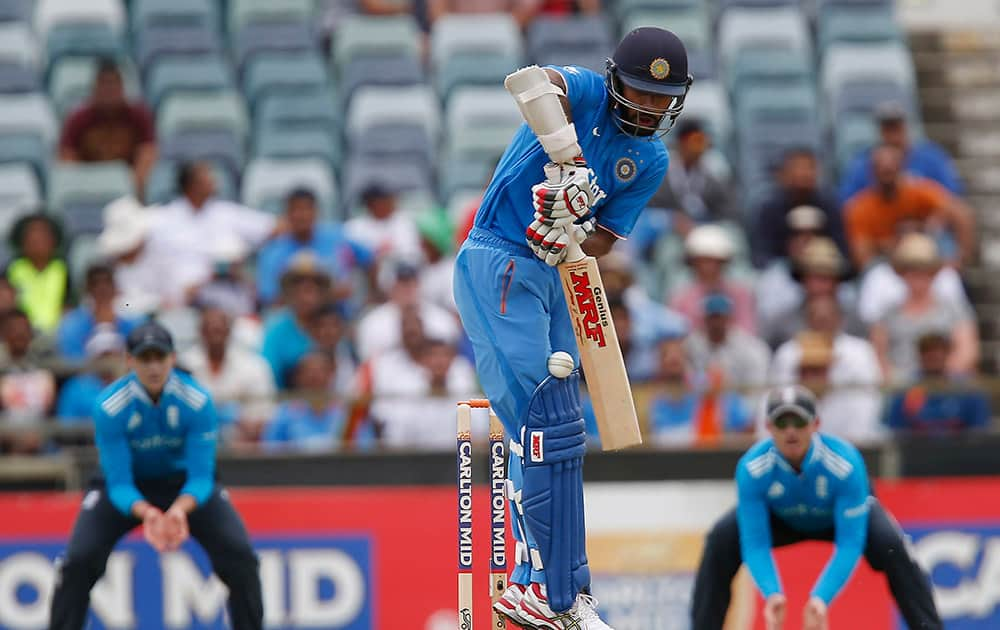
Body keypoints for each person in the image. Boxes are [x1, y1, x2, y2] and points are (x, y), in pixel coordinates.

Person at [453, 26, 692, 627]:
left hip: (558, 270)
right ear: (616, 83)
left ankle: (562, 586)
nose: (652, 108)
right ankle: (537, 583)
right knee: (538, 417)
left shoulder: (653, 159)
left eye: (664, 100)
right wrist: (570, 164)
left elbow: (604, 241)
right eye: (641, 93)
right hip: (500, 257)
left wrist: (571, 223)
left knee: (562, 426)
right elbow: (534, 83)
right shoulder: (585, 95)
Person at [47, 321, 263, 630]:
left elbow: (202, 477)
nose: (153, 367)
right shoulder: (110, 407)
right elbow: (119, 483)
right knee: (78, 561)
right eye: (144, 359)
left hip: (185, 486)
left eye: (159, 358)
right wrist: (147, 512)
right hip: (128, 487)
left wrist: (178, 510)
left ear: (172, 359)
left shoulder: (197, 401)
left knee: (241, 557)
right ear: (129, 361)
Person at [690, 385, 943, 630]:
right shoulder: (752, 469)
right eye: (781, 423)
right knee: (720, 540)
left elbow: (850, 543)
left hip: (836, 517)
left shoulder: (845, 463)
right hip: (781, 518)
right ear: (768, 427)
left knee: (893, 546)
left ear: (816, 424)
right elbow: (755, 543)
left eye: (799, 422)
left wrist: (820, 598)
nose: (791, 432)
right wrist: (772, 593)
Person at [151, 161, 280, 303]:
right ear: (190, 185)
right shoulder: (164, 218)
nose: (213, 181)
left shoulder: (226, 213)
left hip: (225, 296)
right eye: (206, 177)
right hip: (180, 299)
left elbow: (273, 227)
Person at [770, 296, 883, 443]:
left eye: (819, 369)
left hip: (848, 441)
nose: (821, 321)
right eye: (807, 369)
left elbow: (869, 402)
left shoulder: (860, 351)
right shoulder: (788, 352)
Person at [843, 144, 975, 270]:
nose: (887, 175)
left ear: (902, 168)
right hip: (886, 266)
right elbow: (862, 258)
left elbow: (961, 213)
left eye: (891, 169)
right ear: (871, 172)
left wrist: (958, 259)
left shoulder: (917, 191)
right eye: (882, 170)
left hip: (926, 261)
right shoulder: (860, 207)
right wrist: (892, 244)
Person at [870, 233, 978, 382]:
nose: (918, 275)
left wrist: (937, 381)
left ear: (933, 272)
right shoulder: (887, 314)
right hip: (899, 392)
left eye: (924, 269)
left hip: (944, 388)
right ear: (902, 273)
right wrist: (899, 383)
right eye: (911, 269)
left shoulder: (954, 309)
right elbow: (878, 356)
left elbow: (967, 351)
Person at [255, 188, 373, 307]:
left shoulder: (337, 237)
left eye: (306, 209)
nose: (301, 215)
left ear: (316, 211)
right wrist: (324, 297)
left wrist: (373, 295)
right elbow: (271, 299)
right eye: (295, 209)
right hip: (295, 322)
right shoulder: (273, 252)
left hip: (340, 319)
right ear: (286, 214)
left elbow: (370, 258)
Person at [58, 58, 157, 196]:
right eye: (104, 85)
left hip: (128, 184)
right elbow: (67, 159)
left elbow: (148, 154)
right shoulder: (78, 119)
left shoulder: (139, 117)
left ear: (122, 87)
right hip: (88, 184)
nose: (109, 91)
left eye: (114, 85)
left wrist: (132, 188)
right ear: (94, 88)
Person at [181, 307, 276, 447]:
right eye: (209, 330)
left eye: (219, 330)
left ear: (229, 331)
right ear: (200, 332)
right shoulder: (184, 365)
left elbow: (265, 414)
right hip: (194, 443)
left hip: (244, 448)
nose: (215, 335)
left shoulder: (254, 365)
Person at [840, 101, 962, 204]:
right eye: (887, 128)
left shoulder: (931, 157)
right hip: (881, 224)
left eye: (896, 127)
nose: (892, 135)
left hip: (926, 223)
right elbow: (847, 201)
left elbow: (952, 196)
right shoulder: (863, 162)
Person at [644, 331, 751, 447]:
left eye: (678, 354)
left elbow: (744, 423)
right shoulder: (651, 399)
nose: (673, 359)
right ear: (659, 363)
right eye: (666, 355)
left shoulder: (707, 385)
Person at [752, 147, 849, 269]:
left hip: (825, 272)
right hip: (782, 271)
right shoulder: (769, 209)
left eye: (809, 167)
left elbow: (843, 252)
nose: (803, 174)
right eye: (797, 168)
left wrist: (820, 251)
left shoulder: (829, 205)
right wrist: (790, 256)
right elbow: (760, 255)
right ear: (783, 174)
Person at [884, 330, 990, 435]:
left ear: (947, 353)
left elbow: (979, 431)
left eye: (937, 352)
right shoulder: (905, 390)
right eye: (927, 352)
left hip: (959, 450)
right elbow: (895, 431)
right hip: (917, 450)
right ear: (920, 355)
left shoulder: (967, 390)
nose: (932, 357)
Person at [648, 117, 735, 233]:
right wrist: (671, 219)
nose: (698, 149)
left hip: (708, 228)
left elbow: (727, 209)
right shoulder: (662, 170)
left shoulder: (715, 169)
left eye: (702, 142)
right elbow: (649, 208)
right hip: (670, 230)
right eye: (693, 141)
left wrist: (710, 226)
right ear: (680, 143)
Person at [686, 293, 770, 411]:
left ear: (730, 318)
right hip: (701, 411)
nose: (716, 323)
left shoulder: (750, 348)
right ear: (704, 319)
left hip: (739, 413)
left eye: (720, 317)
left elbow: (755, 391)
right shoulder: (692, 346)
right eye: (712, 317)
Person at [670, 223, 756, 333]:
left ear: (723, 262)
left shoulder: (740, 294)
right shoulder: (681, 297)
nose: (708, 266)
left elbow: (747, 331)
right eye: (702, 260)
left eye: (713, 261)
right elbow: (677, 334)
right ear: (693, 262)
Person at [57, 263, 140, 362]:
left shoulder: (134, 322)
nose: (102, 288)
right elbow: (72, 360)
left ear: (115, 286)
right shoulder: (71, 325)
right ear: (87, 288)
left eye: (107, 282)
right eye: (95, 283)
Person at [5, 213, 68, 333]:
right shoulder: (13, 269)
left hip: (56, 332)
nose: (38, 242)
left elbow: (69, 304)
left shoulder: (62, 268)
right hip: (22, 333)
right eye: (32, 238)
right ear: (22, 242)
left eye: (43, 237)